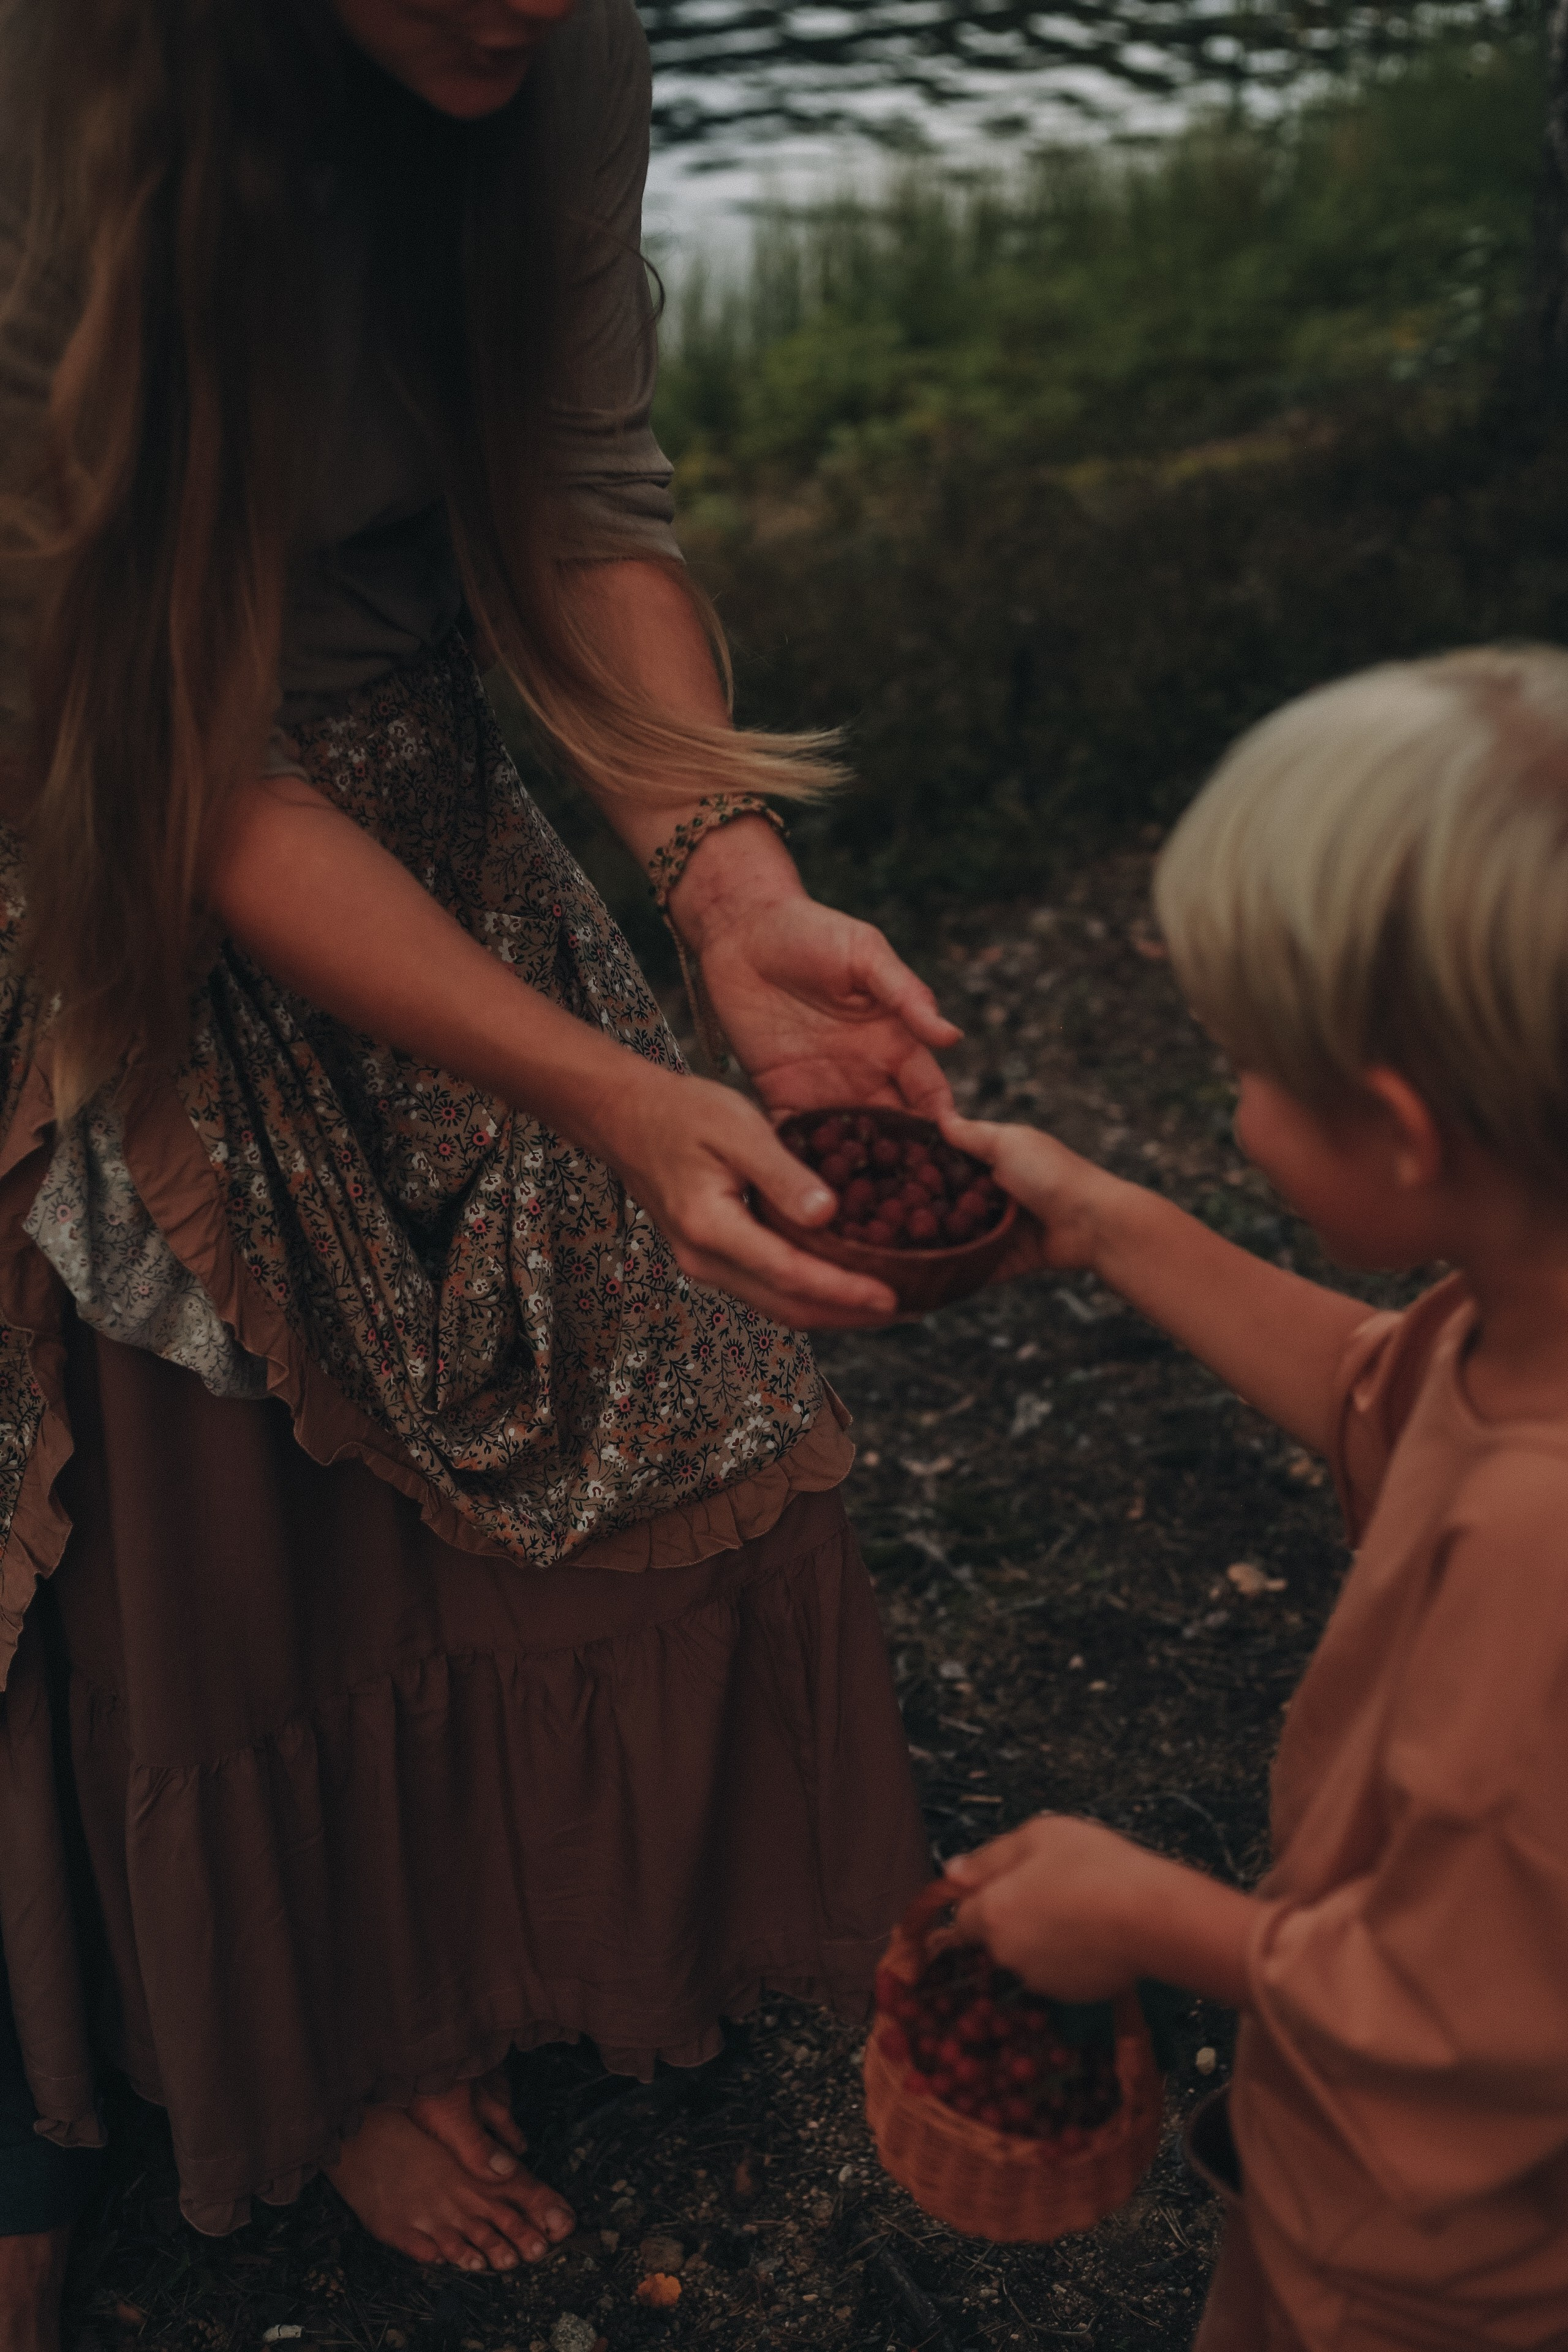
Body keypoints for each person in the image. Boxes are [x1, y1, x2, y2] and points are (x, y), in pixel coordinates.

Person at [0, 0, 943, 2339]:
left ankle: (448, 1966)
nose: (522, 3)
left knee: (612, 1397)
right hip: (107, 829)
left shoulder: (548, 49)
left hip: (410, 763)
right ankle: (320, 2049)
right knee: (232, 1514)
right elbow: (172, 762)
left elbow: (587, 485)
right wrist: (611, 1090)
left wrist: (725, 888)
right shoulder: (46, 92)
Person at [941, 647, 1568, 2351]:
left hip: (1443, 2263)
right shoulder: (1521, 1320)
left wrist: (1149, 1916)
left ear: (1405, 1130)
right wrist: (1108, 1223)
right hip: (1354, 2176)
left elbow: (1482, 2011)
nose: (1233, 1112)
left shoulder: (1541, 1562)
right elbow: (1385, 1397)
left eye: (1248, 1071)